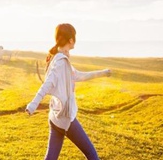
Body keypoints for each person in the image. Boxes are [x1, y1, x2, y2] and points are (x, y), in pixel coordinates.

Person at [25, 23, 111, 160]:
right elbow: (47, 84)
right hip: (66, 119)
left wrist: (103, 73)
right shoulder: (60, 62)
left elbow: (78, 76)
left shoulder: (58, 58)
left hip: (55, 117)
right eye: (74, 36)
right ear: (71, 40)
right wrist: (33, 104)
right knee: (92, 154)